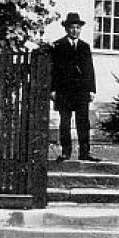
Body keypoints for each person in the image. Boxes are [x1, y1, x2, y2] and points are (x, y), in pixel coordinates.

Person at [50, 12, 100, 162]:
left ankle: (85, 152)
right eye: (72, 27)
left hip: (81, 91)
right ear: (66, 29)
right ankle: (66, 152)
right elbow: (53, 70)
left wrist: (92, 89)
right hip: (64, 90)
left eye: (78, 28)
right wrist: (52, 90)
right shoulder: (58, 45)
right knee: (65, 121)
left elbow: (90, 69)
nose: (75, 30)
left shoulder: (85, 47)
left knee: (83, 122)